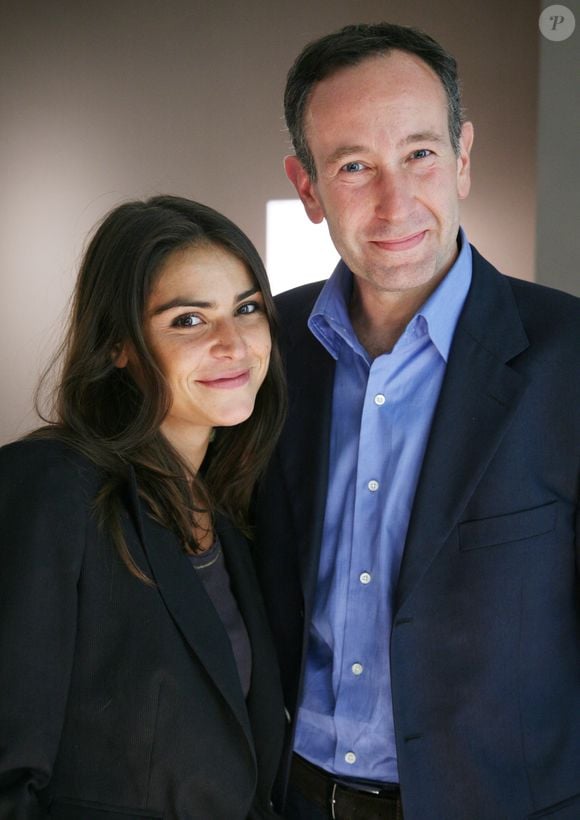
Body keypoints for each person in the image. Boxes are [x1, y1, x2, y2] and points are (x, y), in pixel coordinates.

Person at [253, 22, 580, 820]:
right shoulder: (265, 348)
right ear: (307, 188)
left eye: (420, 154)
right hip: (290, 799)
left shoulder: (569, 355)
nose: (394, 203)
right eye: (353, 166)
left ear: (462, 156)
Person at [0, 195, 287, 819]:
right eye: (189, 320)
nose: (233, 343)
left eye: (246, 309)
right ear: (117, 345)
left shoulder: (230, 514)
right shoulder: (49, 488)